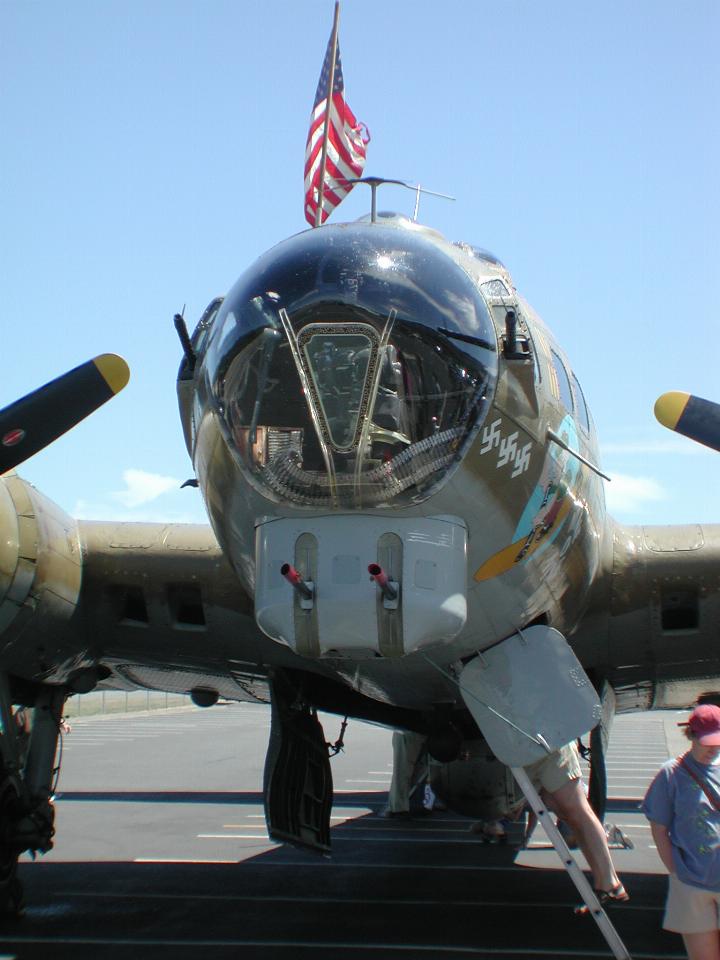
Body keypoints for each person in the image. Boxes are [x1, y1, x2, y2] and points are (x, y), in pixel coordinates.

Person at [643, 704, 720, 960]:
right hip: (691, 882)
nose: (713, 748)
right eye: (707, 741)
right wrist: (675, 871)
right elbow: (659, 827)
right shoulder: (671, 774)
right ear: (692, 736)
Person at [526, 741, 628, 909]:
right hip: (531, 748)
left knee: (578, 811)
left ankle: (610, 882)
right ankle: (603, 883)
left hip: (547, 744)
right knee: (569, 814)